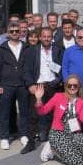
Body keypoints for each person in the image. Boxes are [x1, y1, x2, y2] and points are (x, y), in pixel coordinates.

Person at [33, 74, 83, 165]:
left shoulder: (81, 101)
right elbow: (42, 112)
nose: (72, 88)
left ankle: (61, 148)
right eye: (70, 85)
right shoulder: (58, 97)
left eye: (75, 85)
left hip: (74, 132)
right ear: (66, 86)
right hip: (58, 133)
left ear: (79, 87)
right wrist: (38, 99)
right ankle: (51, 147)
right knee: (77, 160)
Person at [22, 26, 63, 155]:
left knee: (54, 116)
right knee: (33, 115)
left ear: (52, 38)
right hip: (38, 86)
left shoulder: (58, 50)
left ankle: (55, 142)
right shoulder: (31, 51)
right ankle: (30, 142)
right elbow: (26, 70)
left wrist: (57, 81)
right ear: (40, 37)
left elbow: (63, 69)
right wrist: (30, 85)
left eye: (49, 36)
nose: (46, 39)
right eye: (44, 36)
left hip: (53, 86)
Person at [0, 23, 29, 150]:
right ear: (8, 33)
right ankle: (4, 137)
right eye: (12, 31)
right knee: (5, 112)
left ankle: (24, 134)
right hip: (6, 85)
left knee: (24, 112)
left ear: (21, 32)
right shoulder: (2, 48)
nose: (14, 33)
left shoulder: (26, 46)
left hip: (23, 85)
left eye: (17, 31)